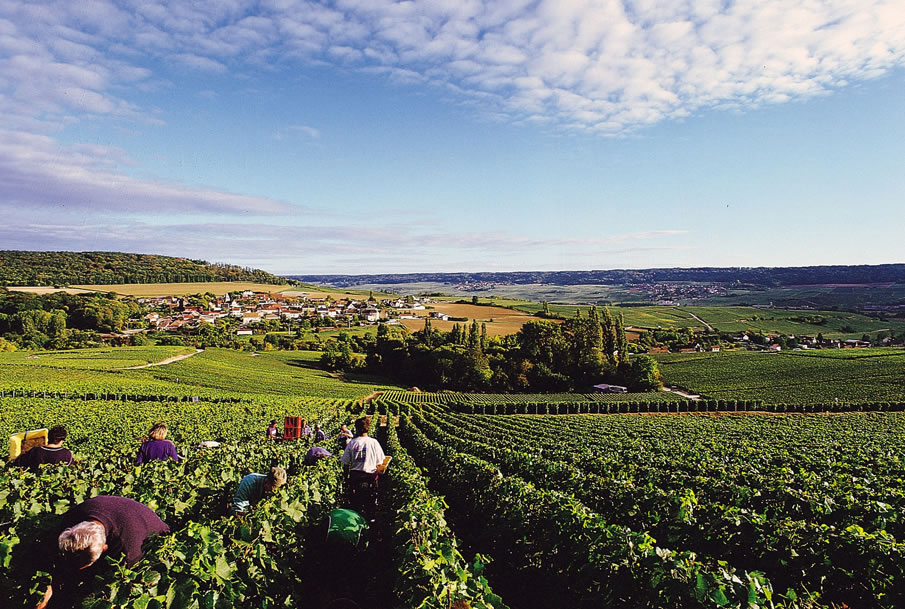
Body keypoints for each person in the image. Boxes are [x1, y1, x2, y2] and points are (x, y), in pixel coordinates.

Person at [37, 496, 170, 609]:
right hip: (118, 512)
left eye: (86, 563)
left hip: (153, 531)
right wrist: (50, 586)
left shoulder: (128, 549)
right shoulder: (72, 519)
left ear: (104, 548)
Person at [340, 417, 386, 522]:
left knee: (355, 504)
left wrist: (346, 477)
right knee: (371, 501)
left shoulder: (352, 443)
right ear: (368, 428)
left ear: (356, 429)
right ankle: (371, 521)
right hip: (370, 477)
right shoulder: (374, 443)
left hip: (355, 477)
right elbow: (380, 463)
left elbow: (345, 463)